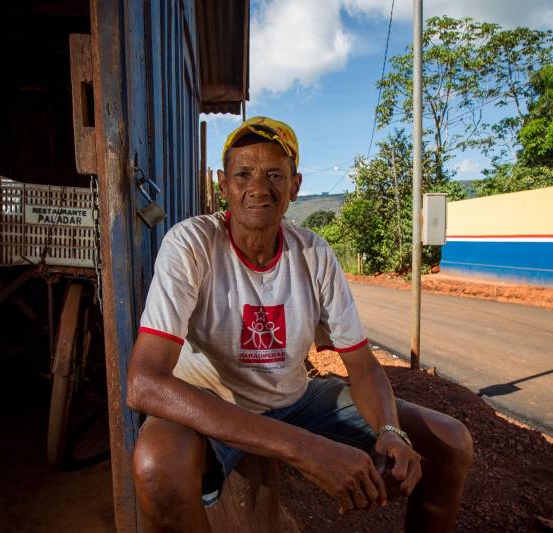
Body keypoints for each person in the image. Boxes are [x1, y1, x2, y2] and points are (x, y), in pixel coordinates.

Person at [127, 116, 473, 532]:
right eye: (243, 174)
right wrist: (304, 449)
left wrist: (390, 432)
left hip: (297, 399)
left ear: (295, 186)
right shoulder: (190, 244)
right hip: (213, 401)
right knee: (156, 467)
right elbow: (144, 383)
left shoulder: (313, 253)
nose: (258, 187)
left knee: (450, 442)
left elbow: (362, 366)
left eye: (275, 174)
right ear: (223, 184)